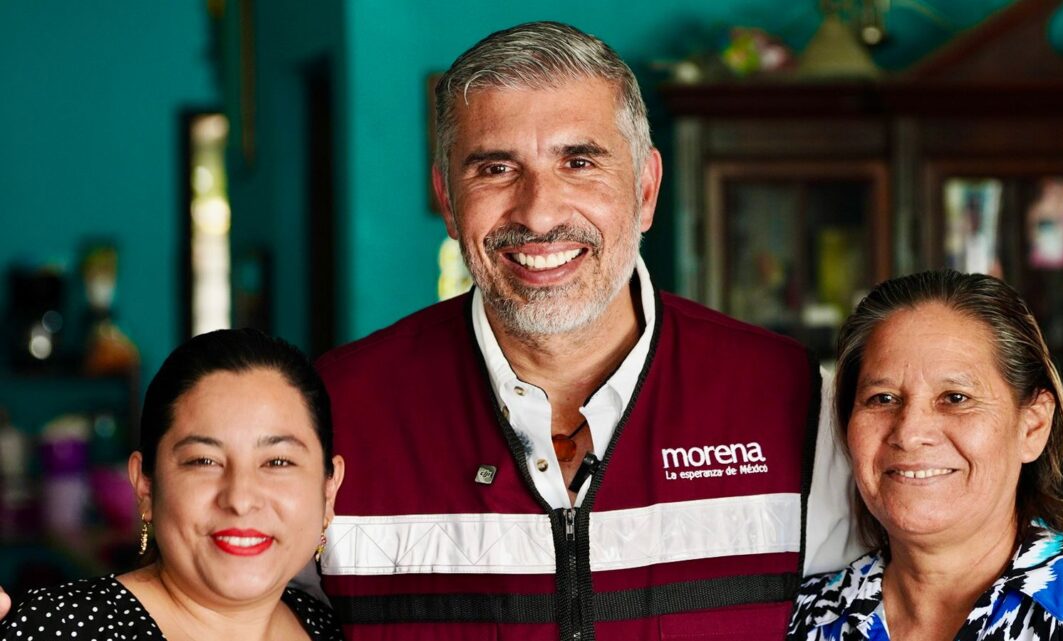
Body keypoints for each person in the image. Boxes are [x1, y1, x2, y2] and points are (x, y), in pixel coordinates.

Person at [314, 21, 859, 641]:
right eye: (495, 168)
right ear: (447, 200)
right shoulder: (335, 408)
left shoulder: (790, 399)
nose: (539, 211)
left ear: (647, 189)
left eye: (579, 162)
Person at [789, 270, 1063, 640]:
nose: (909, 433)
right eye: (883, 399)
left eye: (956, 398)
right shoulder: (806, 618)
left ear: (1033, 426)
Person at [0, 329, 346, 640]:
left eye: (277, 462)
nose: (240, 498)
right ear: (145, 486)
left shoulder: (333, 627)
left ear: (328, 490)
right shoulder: (58, 630)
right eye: (204, 461)